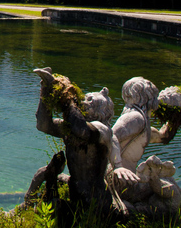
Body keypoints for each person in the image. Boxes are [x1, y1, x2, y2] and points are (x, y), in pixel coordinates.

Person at [33, 68, 137, 216]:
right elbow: (43, 125)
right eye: (85, 99)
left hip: (96, 201)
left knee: (57, 208)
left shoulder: (103, 130)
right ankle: (29, 200)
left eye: (90, 101)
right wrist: (46, 90)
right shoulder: (72, 126)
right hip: (76, 192)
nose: (84, 102)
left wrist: (67, 97)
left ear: (103, 110)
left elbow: (82, 131)